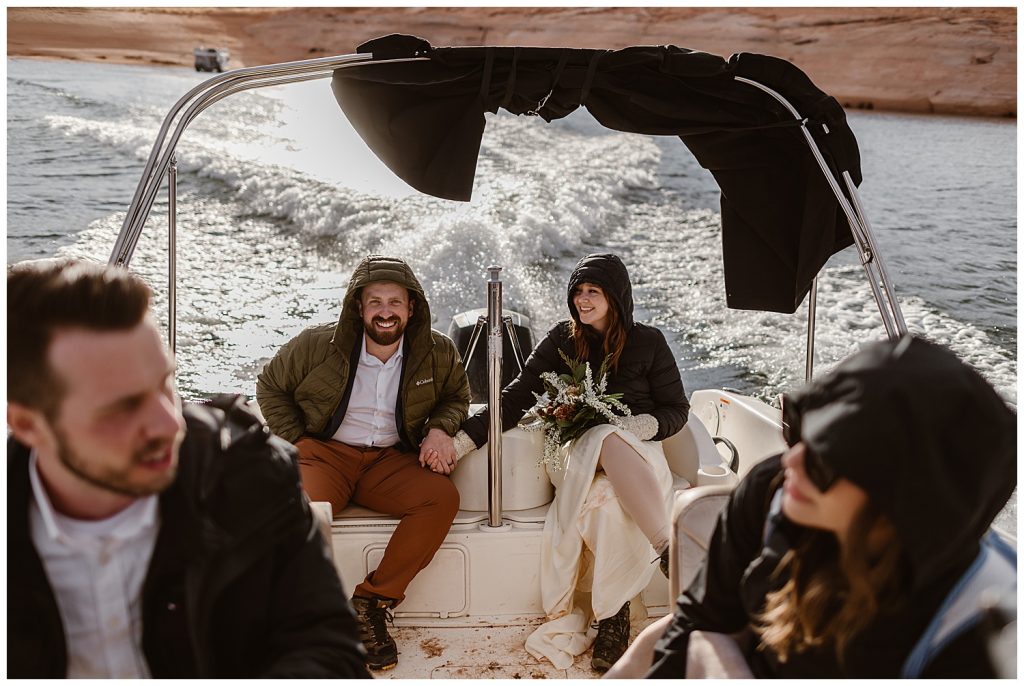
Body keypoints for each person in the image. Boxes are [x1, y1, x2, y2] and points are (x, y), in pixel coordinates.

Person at [7, 258, 369, 678]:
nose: (169, 424)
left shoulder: (251, 473)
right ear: (27, 425)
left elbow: (328, 649)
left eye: (166, 383)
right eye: (123, 407)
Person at [630, 335, 1016, 678]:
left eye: (824, 463)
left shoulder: (976, 631)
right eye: (797, 431)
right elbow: (700, 622)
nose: (792, 460)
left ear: (902, 505)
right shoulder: (773, 490)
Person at [451, 253, 690, 671]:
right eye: (577, 291)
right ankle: (667, 550)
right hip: (573, 453)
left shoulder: (649, 342)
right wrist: (461, 442)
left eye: (593, 291)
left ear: (616, 296)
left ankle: (613, 619)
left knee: (608, 505)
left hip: (637, 452)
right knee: (603, 438)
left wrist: (637, 426)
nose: (582, 299)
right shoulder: (561, 339)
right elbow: (514, 399)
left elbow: (677, 410)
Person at [256, 254, 471, 671]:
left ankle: (372, 603)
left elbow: (456, 398)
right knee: (296, 509)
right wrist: (296, 439)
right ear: (358, 306)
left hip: (390, 460)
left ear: (412, 307)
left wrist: (440, 429)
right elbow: (270, 386)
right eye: (375, 302)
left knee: (440, 498)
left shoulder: (438, 351)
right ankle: (294, 614)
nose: (385, 312)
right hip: (325, 453)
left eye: (395, 302)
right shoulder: (316, 344)